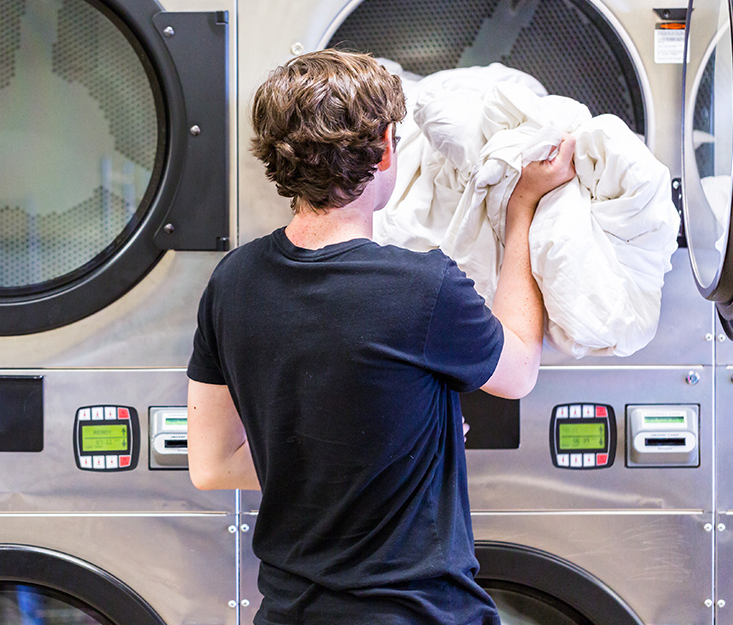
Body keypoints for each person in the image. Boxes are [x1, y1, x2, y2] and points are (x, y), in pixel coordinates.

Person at [186, 49, 576, 625]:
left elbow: (212, 465)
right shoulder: (423, 287)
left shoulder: (232, 282)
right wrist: (522, 209)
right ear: (388, 148)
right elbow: (517, 373)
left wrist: (370, 455)